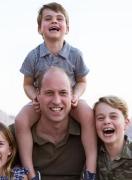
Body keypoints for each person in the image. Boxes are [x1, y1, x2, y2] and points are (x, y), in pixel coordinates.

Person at [15, 2, 97, 180]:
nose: (54, 21)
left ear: (67, 28)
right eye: (48, 19)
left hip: (70, 101)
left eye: (60, 19)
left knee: (88, 114)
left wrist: (76, 95)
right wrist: (34, 97)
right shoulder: (33, 56)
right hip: (42, 101)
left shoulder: (75, 54)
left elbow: (82, 80)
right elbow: (27, 83)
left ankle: (90, 169)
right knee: (21, 120)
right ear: (39, 28)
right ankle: (30, 172)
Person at [10, 66, 86, 180]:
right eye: (49, 93)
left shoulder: (90, 132)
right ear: (37, 94)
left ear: (72, 95)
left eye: (63, 93)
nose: (56, 101)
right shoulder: (12, 135)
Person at [94, 95, 132, 180]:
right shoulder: (91, 154)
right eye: (100, 118)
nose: (106, 121)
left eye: (113, 116)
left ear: (126, 123)